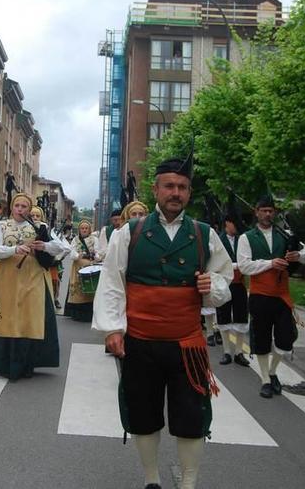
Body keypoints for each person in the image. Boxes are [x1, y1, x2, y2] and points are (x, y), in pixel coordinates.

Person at [92, 156, 233, 489]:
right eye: (169, 185)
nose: (176, 192)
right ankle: (152, 479)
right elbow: (112, 281)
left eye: (182, 187)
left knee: (192, 417)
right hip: (140, 343)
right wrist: (113, 328)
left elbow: (225, 278)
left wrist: (212, 286)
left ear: (189, 192)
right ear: (156, 189)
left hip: (187, 344)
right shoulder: (129, 232)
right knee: (143, 414)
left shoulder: (204, 234)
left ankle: (188, 482)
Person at [237, 196, 305, 399]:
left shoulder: (285, 234)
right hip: (259, 295)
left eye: (271, 211)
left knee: (285, 339)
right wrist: (271, 263)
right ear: (256, 212)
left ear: (274, 213)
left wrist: (298, 256)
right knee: (261, 338)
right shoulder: (246, 238)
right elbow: (244, 266)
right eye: (264, 210)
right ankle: (265, 380)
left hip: (281, 295)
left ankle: (272, 371)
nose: (268, 214)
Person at [0, 193, 67, 380]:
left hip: (33, 277)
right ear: (12, 207)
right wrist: (14, 249)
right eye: (17, 206)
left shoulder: (40, 227)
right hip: (7, 277)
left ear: (29, 209)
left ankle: (26, 364)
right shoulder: (1, 226)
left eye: (24, 206)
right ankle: (5, 364)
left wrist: (43, 247)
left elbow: (60, 248)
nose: (20, 209)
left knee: (28, 318)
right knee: (8, 316)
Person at [216, 215, 250, 367]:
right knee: (223, 316)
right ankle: (227, 352)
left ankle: (238, 352)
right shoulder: (218, 239)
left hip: (239, 283)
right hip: (223, 283)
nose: (237, 226)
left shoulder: (243, 239)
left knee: (241, 316)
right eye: (234, 222)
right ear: (227, 223)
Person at [65, 219, 97, 322]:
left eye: (86, 228)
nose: (84, 230)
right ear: (79, 229)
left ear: (89, 229)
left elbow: (99, 251)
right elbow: (72, 252)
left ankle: (89, 313)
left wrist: (95, 256)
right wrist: (78, 255)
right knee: (78, 288)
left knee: (89, 289)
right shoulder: (75, 239)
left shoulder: (94, 239)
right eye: (82, 228)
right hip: (78, 267)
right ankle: (76, 313)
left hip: (90, 266)